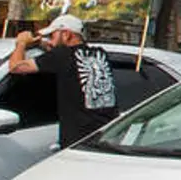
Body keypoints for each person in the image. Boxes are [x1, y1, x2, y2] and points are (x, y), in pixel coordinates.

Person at [8, 14, 119, 147]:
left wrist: (21, 43)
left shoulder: (61, 56)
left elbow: (16, 67)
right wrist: (43, 44)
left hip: (79, 141)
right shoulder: (100, 53)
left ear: (66, 34)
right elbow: (65, 55)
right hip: (109, 136)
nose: (51, 40)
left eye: (53, 35)